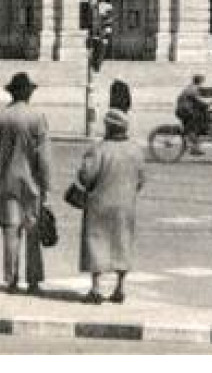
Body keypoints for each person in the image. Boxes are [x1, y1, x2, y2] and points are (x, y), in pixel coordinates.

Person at [0, 71, 52, 295]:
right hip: (31, 181)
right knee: (32, 231)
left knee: (10, 231)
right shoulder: (37, 117)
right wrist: (46, 184)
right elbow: (44, 156)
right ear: (28, 93)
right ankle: (33, 280)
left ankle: (11, 279)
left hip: (5, 181)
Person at [76, 108, 145, 305]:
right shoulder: (136, 150)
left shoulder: (98, 149)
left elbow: (86, 177)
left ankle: (96, 289)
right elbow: (141, 180)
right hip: (125, 205)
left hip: (99, 203)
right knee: (122, 243)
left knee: (96, 243)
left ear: (108, 127)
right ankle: (119, 288)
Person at [175, 74, 211, 154]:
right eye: (202, 81)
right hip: (185, 110)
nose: (202, 83)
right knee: (195, 125)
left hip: (183, 110)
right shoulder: (193, 88)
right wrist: (208, 105)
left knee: (195, 124)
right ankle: (194, 146)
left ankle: (194, 144)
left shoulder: (190, 87)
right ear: (199, 81)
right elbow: (197, 100)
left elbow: (195, 100)